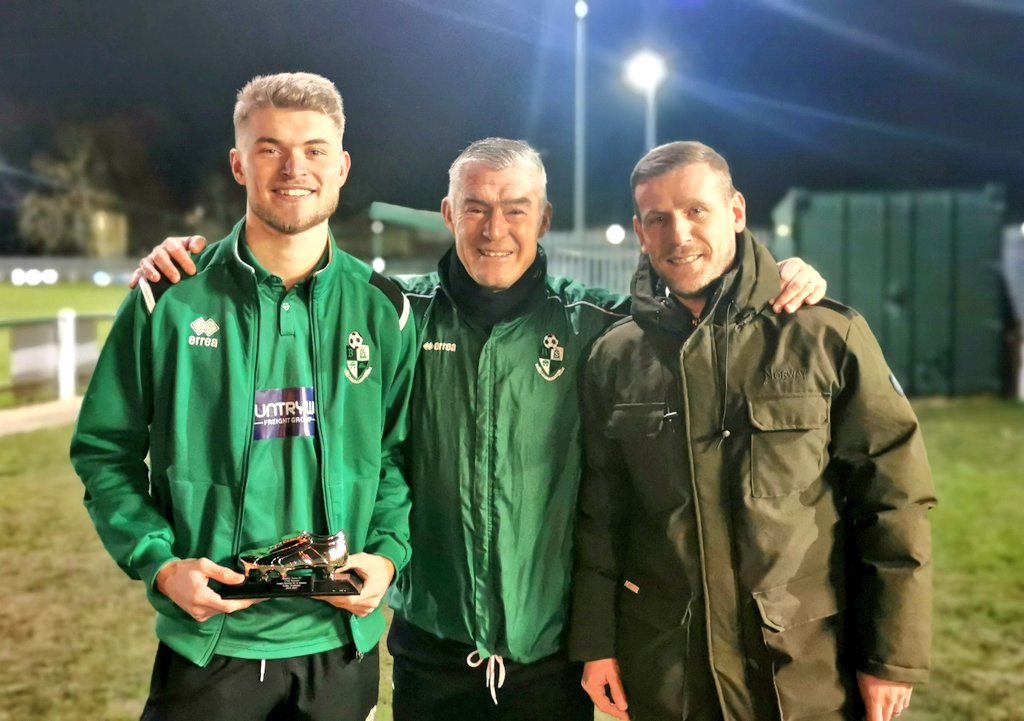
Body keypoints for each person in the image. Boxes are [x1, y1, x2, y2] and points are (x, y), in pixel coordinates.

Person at [130, 138, 827, 720]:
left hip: (551, 660)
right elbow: (289, 293)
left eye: (515, 208)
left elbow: (698, 317)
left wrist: (771, 281)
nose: (496, 228)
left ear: (544, 216)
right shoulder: (396, 318)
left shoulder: (598, 324)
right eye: (476, 207)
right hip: (431, 655)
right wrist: (183, 263)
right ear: (447, 214)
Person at [71, 72, 417, 721]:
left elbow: (399, 456)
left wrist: (388, 557)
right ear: (238, 162)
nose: (294, 168)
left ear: (341, 166)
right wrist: (161, 563)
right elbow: (103, 451)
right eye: (270, 148)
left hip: (339, 649)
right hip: (210, 650)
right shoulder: (169, 297)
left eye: (314, 149)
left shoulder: (384, 311)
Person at [569, 141, 936, 721]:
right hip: (669, 668)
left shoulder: (824, 335)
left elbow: (893, 502)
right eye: (658, 219)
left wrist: (891, 655)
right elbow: (599, 513)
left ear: (736, 212)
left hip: (808, 667)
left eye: (696, 211)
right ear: (640, 233)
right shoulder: (616, 357)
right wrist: (596, 646)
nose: (679, 234)